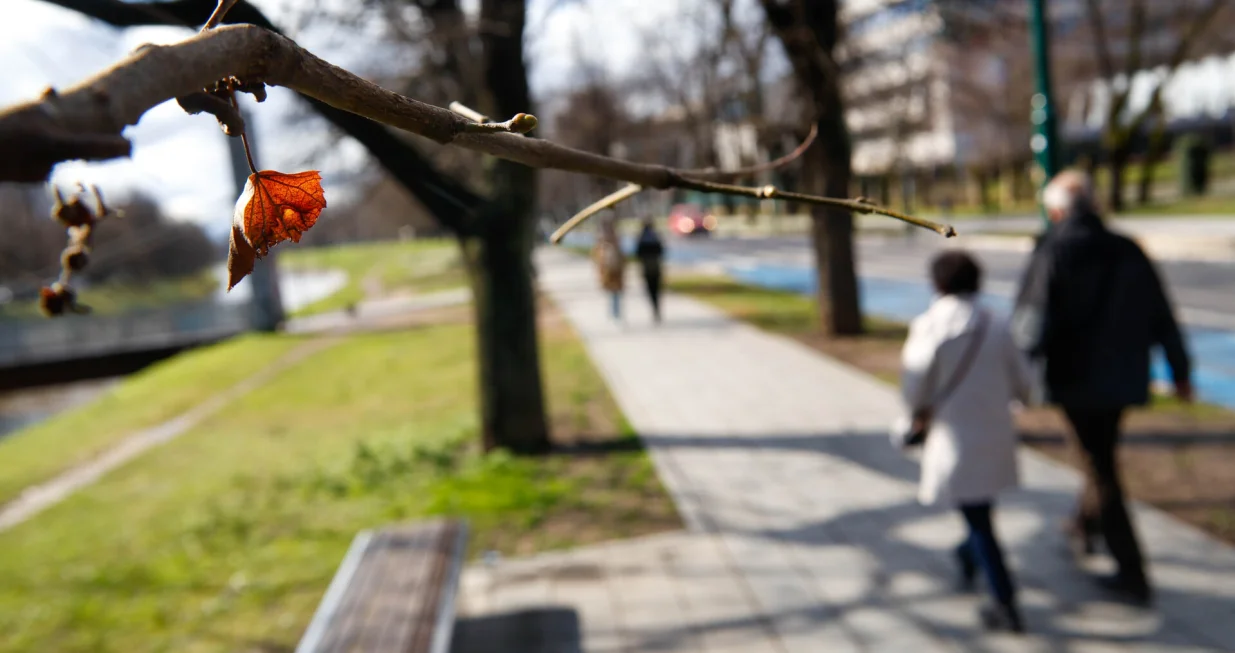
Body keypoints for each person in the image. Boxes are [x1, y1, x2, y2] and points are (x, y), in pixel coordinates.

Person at [1012, 169, 1192, 605]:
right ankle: (1082, 526)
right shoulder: (1128, 249)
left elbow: (1031, 324)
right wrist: (1179, 370)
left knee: (1101, 467)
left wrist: (1016, 380)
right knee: (1099, 454)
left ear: (1056, 210)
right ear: (1093, 204)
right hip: (1124, 376)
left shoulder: (1052, 250)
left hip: (1075, 380)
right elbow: (1162, 315)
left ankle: (1132, 572)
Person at [900, 250, 1033, 633]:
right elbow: (1024, 381)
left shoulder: (929, 326)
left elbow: (914, 386)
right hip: (993, 432)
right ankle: (966, 556)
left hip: (953, 435)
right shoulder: (997, 322)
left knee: (979, 518)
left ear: (937, 282)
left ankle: (1004, 599)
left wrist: (914, 416)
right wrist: (1021, 401)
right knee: (979, 508)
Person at [592, 216, 626, 321]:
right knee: (613, 293)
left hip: (614, 270)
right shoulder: (605, 241)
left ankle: (615, 313)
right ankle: (614, 313)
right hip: (610, 270)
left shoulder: (609, 240)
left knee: (614, 293)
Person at [634, 218, 665, 322]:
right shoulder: (655, 236)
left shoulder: (641, 237)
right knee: (656, 290)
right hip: (656, 267)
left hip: (647, 268)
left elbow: (637, 254)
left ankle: (654, 309)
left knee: (650, 290)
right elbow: (661, 251)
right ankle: (656, 309)